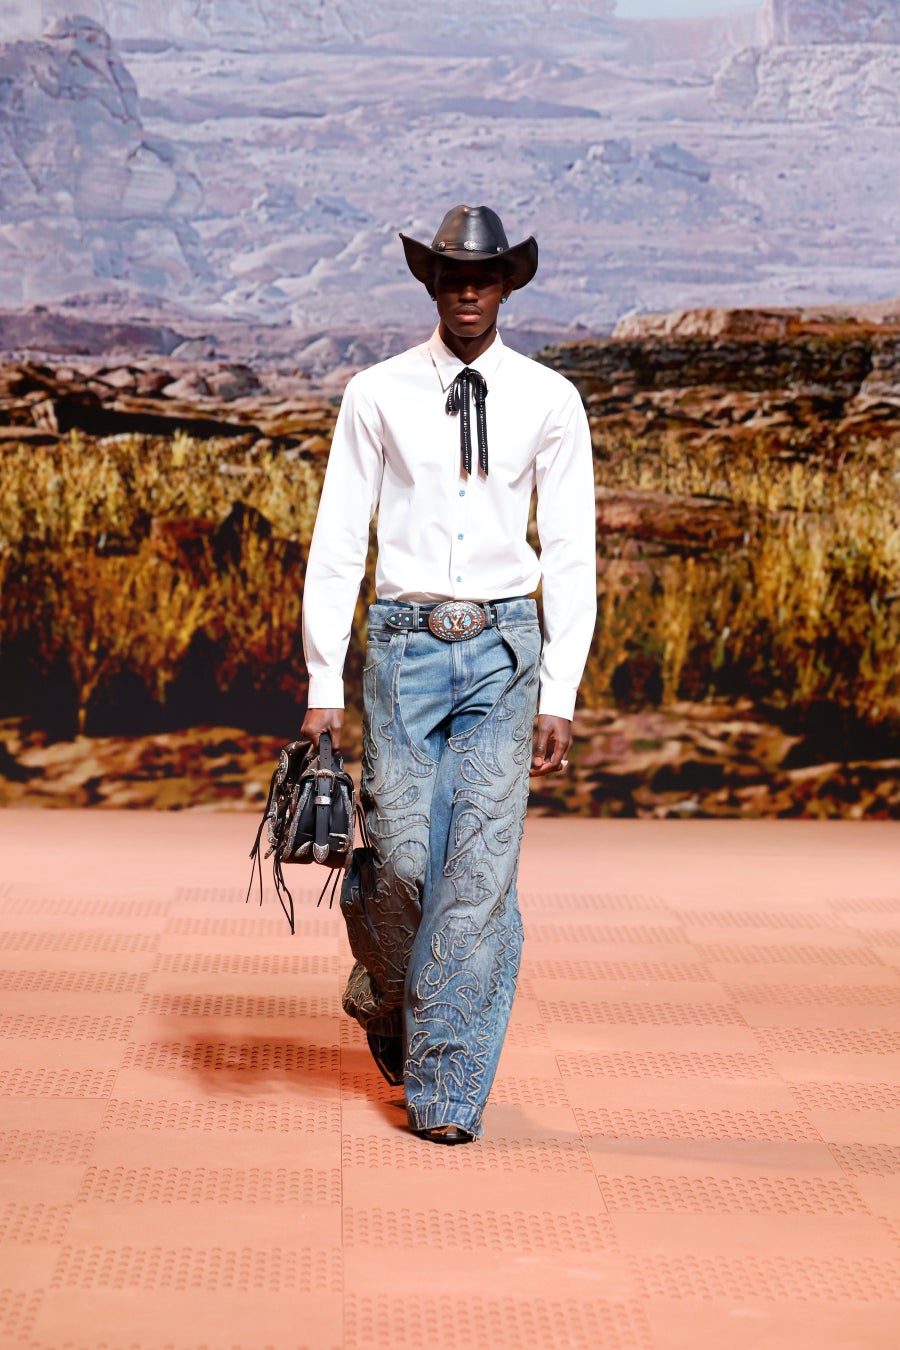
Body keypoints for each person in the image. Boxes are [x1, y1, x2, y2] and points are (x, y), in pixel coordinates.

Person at [301, 204, 596, 1143]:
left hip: (505, 650)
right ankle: (388, 995)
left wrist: (561, 688)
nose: (468, 291)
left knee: (477, 876)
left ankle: (446, 1094)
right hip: (402, 646)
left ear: (507, 286)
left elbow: (573, 550)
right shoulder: (376, 392)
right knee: (395, 863)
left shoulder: (550, 399)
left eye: (484, 277)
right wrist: (322, 682)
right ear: (430, 284)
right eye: (453, 276)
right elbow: (339, 539)